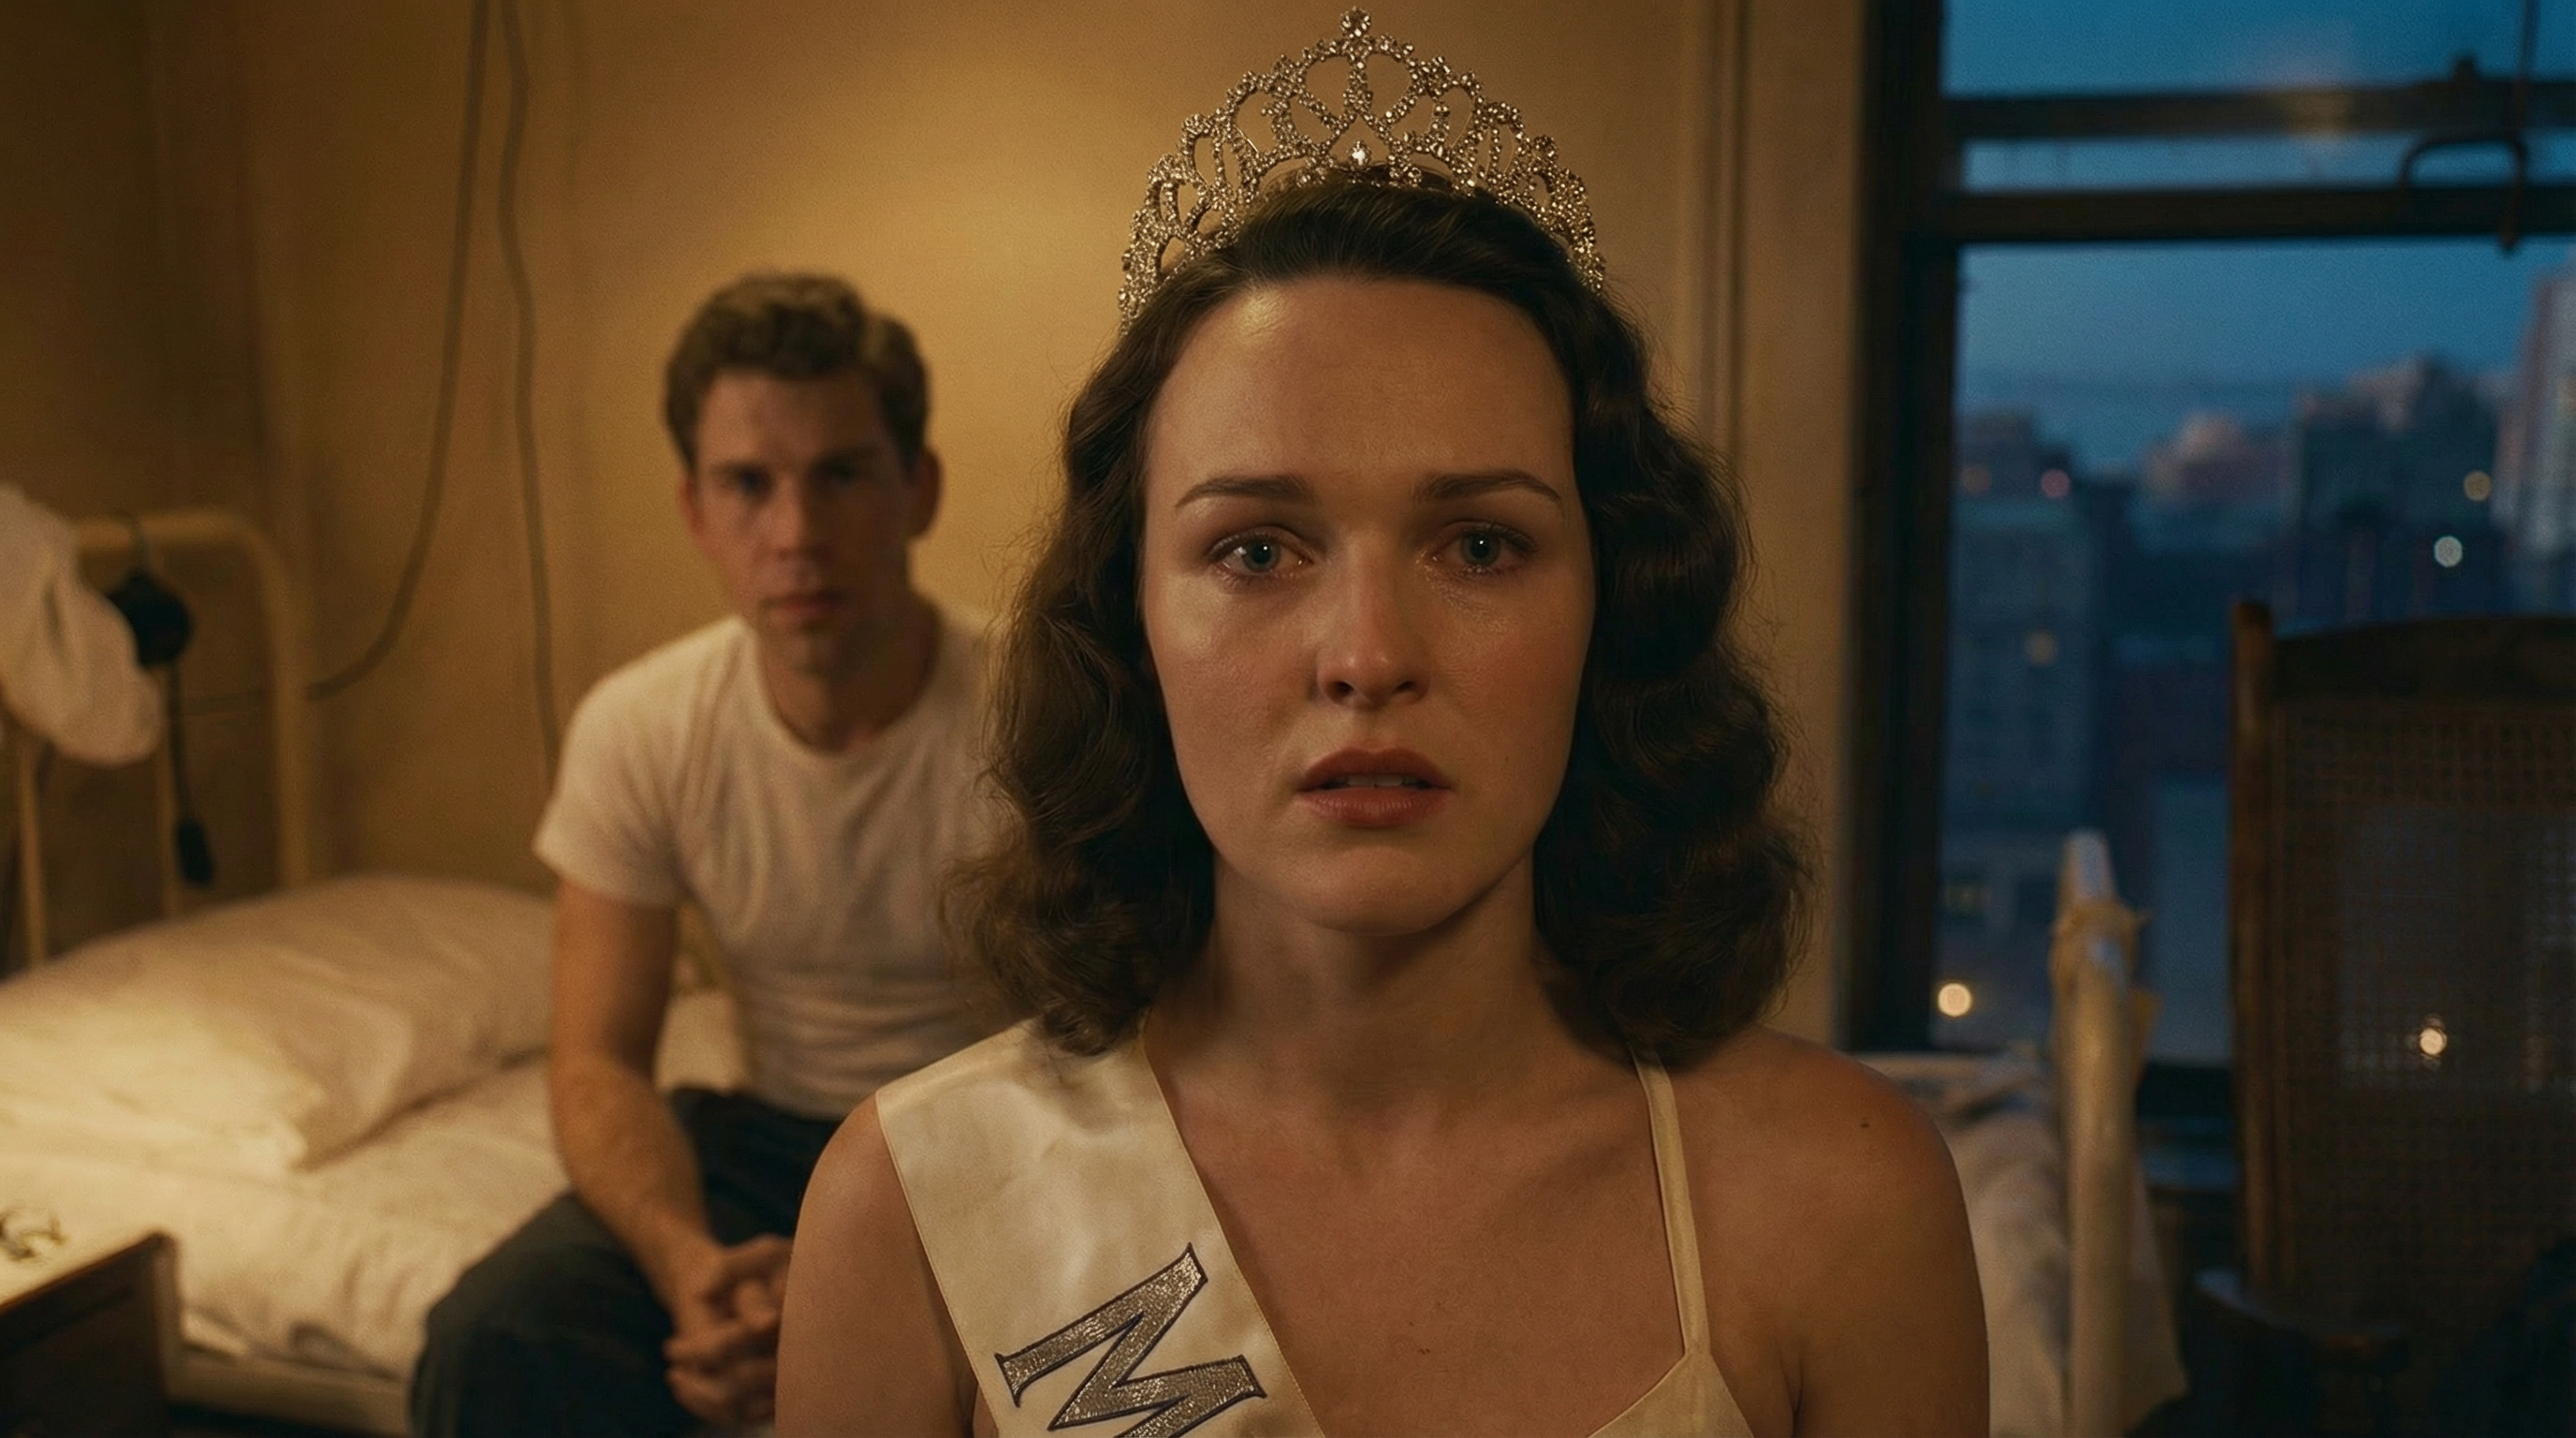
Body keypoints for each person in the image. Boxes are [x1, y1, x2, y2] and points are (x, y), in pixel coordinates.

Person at [777, 15, 1986, 1436]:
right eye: (1256, 551)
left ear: (1612, 609)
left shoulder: (1840, 1202)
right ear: (1129, 623)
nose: (1368, 657)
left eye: (1479, 547)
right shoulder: (914, 1208)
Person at [412, 272, 991, 1435]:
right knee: (498, 1341)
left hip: (994, 1139)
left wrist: (866, 1283)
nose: (796, 536)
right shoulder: (644, 726)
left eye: (842, 475)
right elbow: (597, 1061)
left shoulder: (1048, 713)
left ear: (918, 489)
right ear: (694, 510)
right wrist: (693, 1274)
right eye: (748, 485)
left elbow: (1139, 1043)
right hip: (771, 1143)